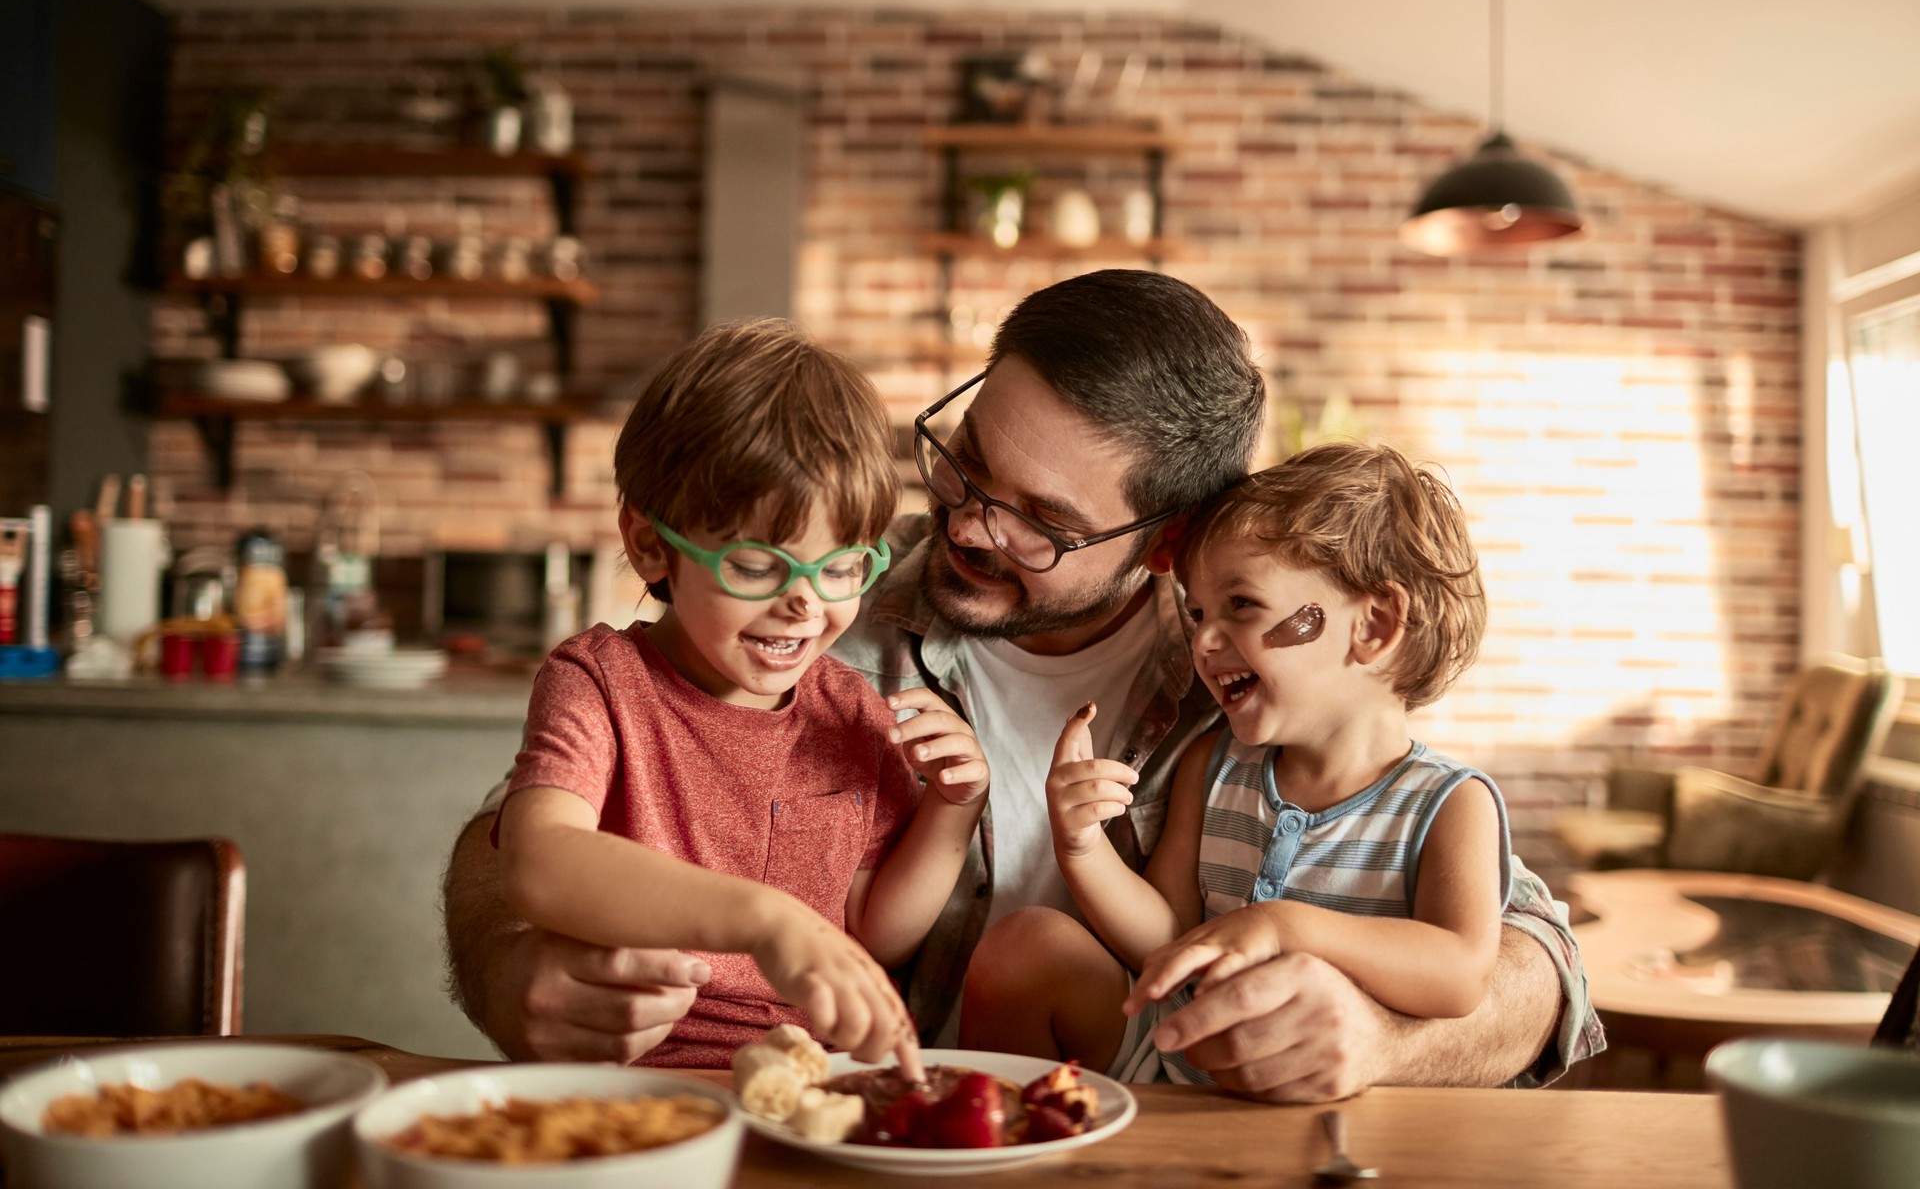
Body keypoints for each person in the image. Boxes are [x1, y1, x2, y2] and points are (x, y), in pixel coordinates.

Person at [443, 269, 1604, 1098]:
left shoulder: (1250, 678)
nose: (970, 521)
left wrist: (1384, 1040)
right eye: (968, 458)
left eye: (1044, 520)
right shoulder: (824, 604)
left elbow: (1535, 958)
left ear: (1164, 542)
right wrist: (512, 965)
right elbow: (513, 838)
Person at [489, 319, 989, 1070]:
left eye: (842, 567)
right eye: (758, 567)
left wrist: (953, 812)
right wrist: (763, 921)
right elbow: (538, 861)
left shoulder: (852, 711)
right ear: (651, 546)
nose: (805, 603)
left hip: (813, 1081)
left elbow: (868, 927)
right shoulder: (599, 682)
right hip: (637, 1077)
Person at [964, 443, 1512, 1082]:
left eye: (1241, 605)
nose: (1202, 639)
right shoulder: (1215, 766)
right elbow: (1169, 941)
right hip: (1175, 1053)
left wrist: (1283, 925)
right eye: (1195, 612)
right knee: (1023, 947)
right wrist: (1082, 848)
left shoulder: (1448, 805)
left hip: (1323, 1087)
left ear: (1375, 625)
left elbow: (1460, 974)